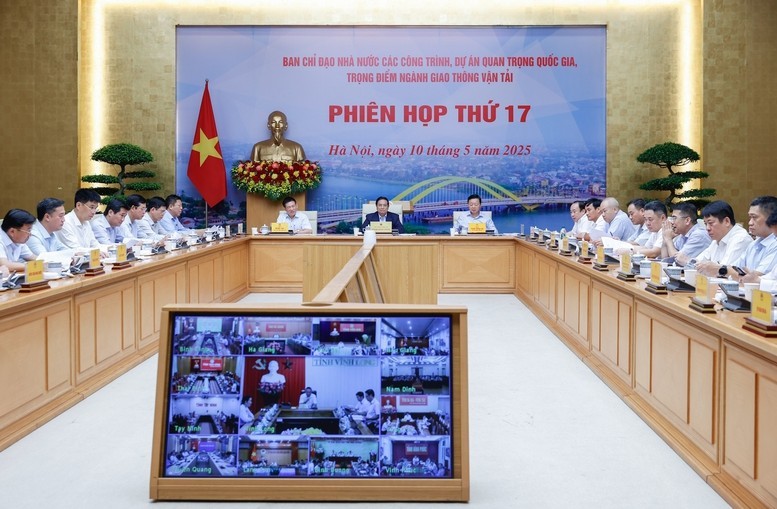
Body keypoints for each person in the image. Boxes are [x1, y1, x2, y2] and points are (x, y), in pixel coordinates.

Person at [684, 200, 753, 277]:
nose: (707, 228)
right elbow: (696, 263)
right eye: (705, 224)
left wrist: (709, 267)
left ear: (726, 221)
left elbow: (724, 271)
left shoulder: (740, 239)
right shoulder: (717, 240)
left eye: (711, 223)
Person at [729, 196, 777, 283]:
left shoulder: (774, 244)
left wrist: (720, 269)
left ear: (771, 218)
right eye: (750, 218)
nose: (750, 223)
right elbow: (734, 269)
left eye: (754, 218)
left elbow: (755, 278)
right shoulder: (753, 244)